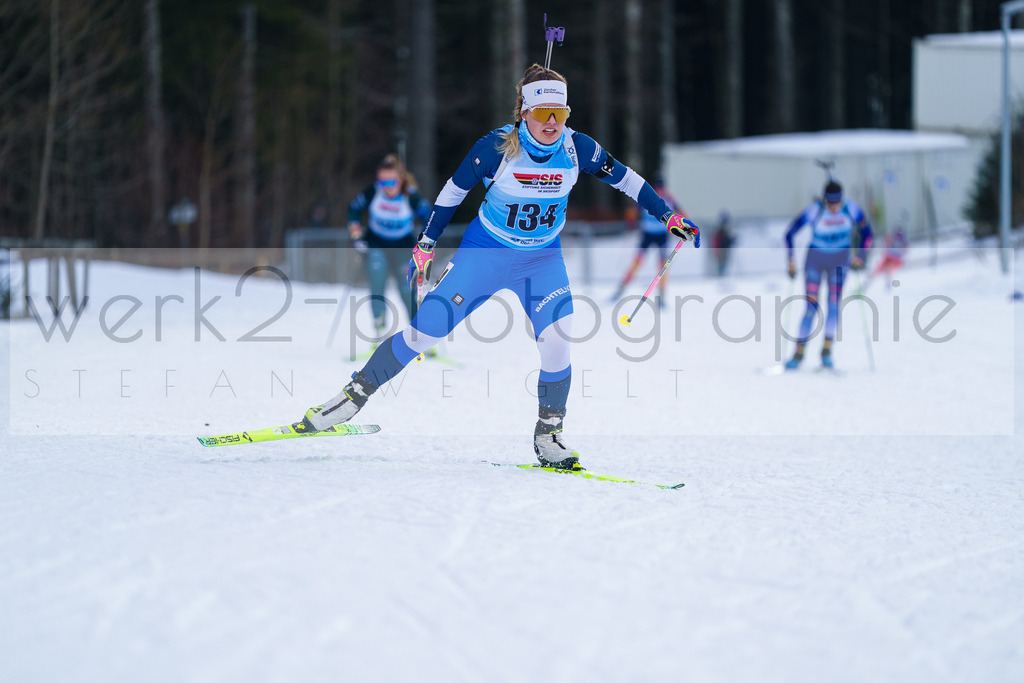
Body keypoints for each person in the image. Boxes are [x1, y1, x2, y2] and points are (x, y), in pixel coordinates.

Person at [301, 64, 699, 469]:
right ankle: (352, 397)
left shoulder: (579, 149)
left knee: (559, 338)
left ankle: (550, 433)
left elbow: (627, 180)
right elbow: (453, 191)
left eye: (559, 114)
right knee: (424, 332)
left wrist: (669, 216)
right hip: (485, 253)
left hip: (542, 259)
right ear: (524, 112)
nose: (551, 123)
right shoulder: (497, 148)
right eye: (543, 113)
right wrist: (426, 242)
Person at [784, 179, 872, 370]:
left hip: (840, 260)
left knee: (833, 304)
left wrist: (861, 256)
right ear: (824, 200)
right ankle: (799, 353)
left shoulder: (851, 209)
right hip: (815, 260)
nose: (833, 208)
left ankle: (826, 352)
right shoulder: (814, 211)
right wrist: (791, 259)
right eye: (829, 203)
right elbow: (789, 233)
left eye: (836, 203)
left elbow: (867, 233)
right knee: (811, 306)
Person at [348, 154, 432, 336]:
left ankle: (419, 331)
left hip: (402, 247)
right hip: (375, 244)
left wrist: (426, 239)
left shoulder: (410, 195)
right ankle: (379, 328)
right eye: (382, 182)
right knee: (377, 284)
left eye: (390, 183)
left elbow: (430, 216)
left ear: (400, 179)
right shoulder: (373, 192)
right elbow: (353, 210)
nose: (385, 187)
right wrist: (356, 236)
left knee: (406, 289)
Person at [611, 175, 686, 302]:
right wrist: (630, 219)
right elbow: (633, 209)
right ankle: (621, 288)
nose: (659, 191)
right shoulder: (649, 197)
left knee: (663, 264)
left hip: (662, 235)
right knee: (637, 261)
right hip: (647, 234)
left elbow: (681, 212)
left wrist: (683, 226)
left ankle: (662, 294)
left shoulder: (669, 199)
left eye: (661, 188)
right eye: (657, 188)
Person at [710, 210, 736, 277]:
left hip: (724, 249)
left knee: (724, 262)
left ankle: (722, 274)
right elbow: (719, 240)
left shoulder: (725, 230)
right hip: (721, 249)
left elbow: (727, 240)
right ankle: (720, 274)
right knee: (721, 263)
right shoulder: (719, 231)